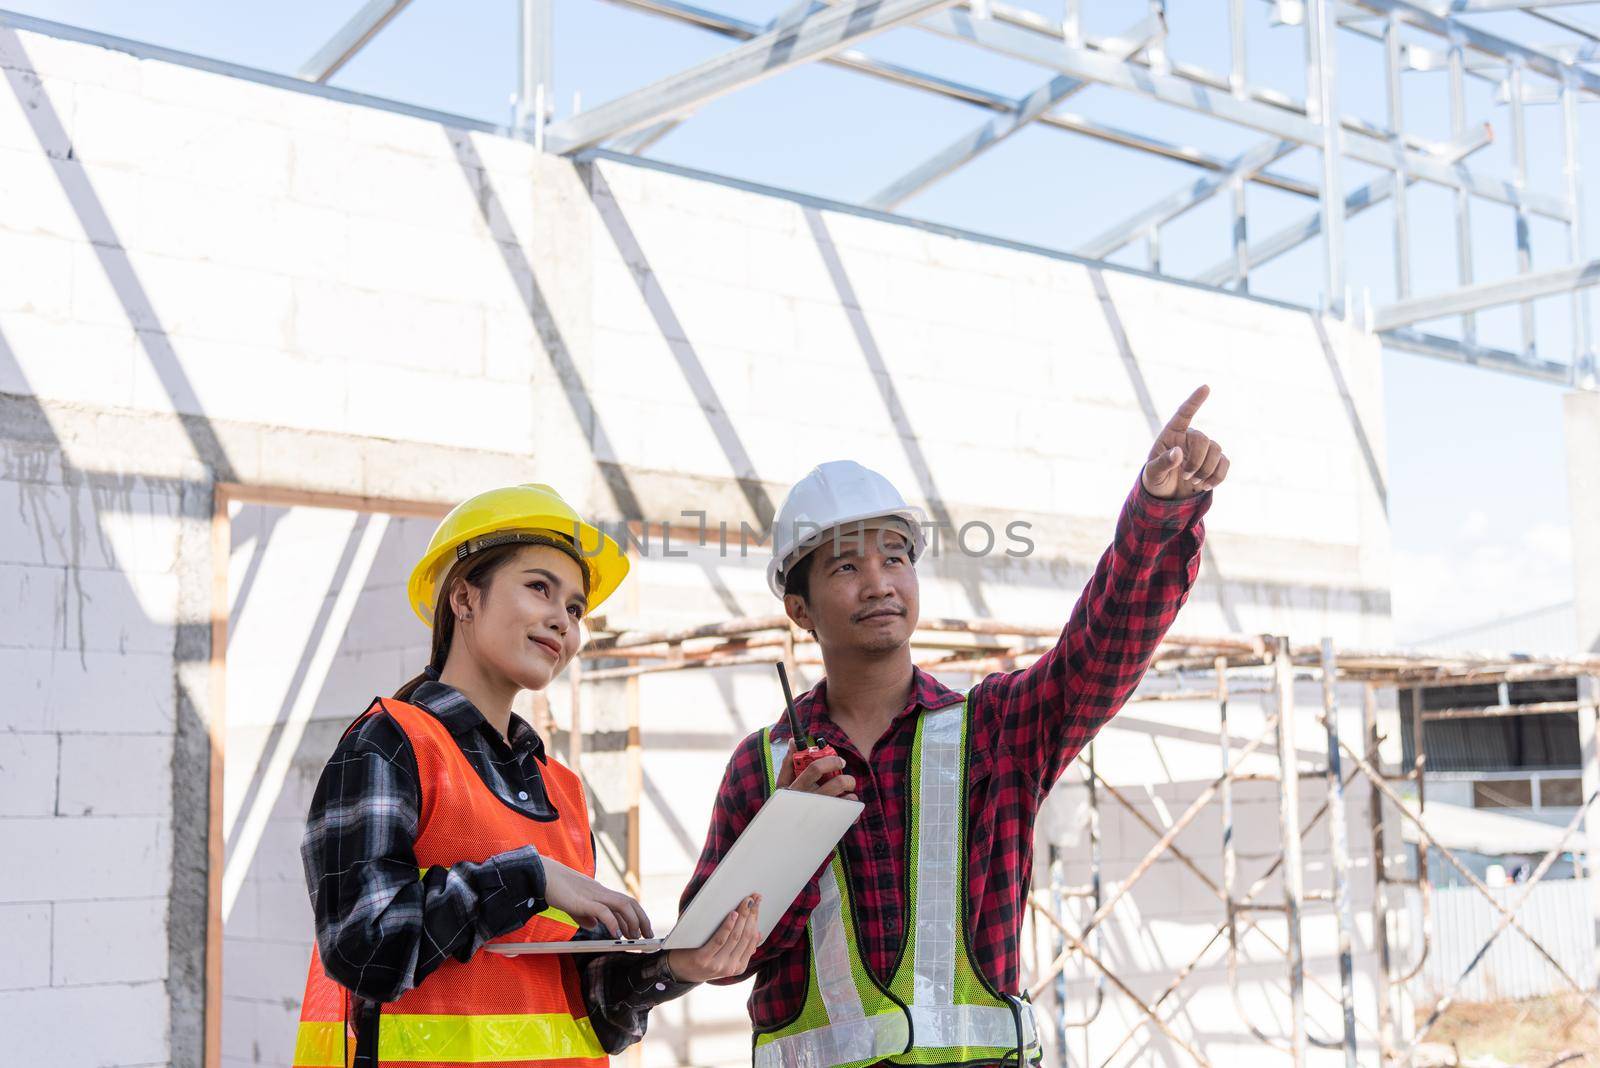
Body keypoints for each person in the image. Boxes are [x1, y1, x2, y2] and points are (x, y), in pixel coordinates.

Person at [682, 386, 1228, 1067]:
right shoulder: (760, 768)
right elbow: (707, 956)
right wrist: (790, 833)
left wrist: (1159, 516)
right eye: (847, 567)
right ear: (800, 609)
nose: (880, 582)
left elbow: (1105, 645)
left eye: (896, 558)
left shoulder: (995, 732)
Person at [293, 484, 761, 1067]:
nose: (562, 621)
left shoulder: (560, 789)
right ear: (464, 599)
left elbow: (587, 1009)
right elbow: (364, 949)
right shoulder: (390, 744)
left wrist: (675, 967)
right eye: (540, 587)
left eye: (574, 608)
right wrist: (527, 877)